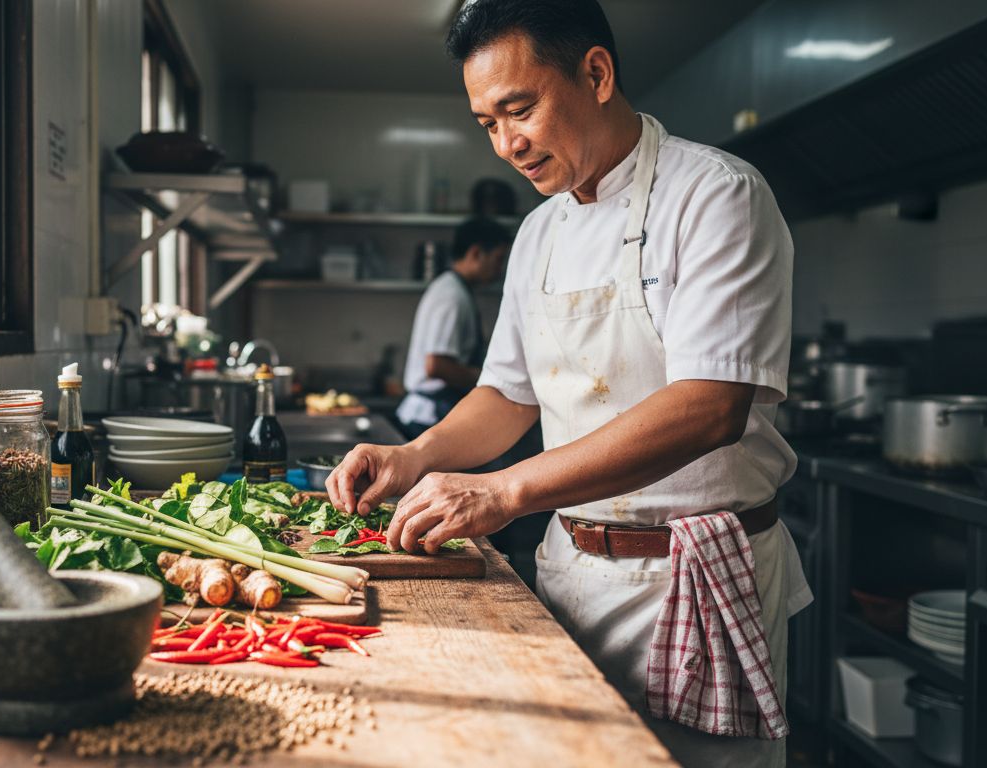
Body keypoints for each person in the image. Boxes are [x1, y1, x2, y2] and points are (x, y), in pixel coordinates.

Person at [327, 1, 811, 766]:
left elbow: (709, 407)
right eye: (487, 122)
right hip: (568, 576)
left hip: (692, 582)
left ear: (596, 73)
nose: (506, 144)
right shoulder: (539, 231)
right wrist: (413, 455)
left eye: (520, 109)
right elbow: (508, 396)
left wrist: (505, 492)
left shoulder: (715, 194)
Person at [395, 217, 511, 440]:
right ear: (476, 253)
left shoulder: (451, 288)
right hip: (428, 416)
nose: (499, 270)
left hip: (431, 414)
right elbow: (436, 365)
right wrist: (489, 381)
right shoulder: (452, 296)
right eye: (498, 259)